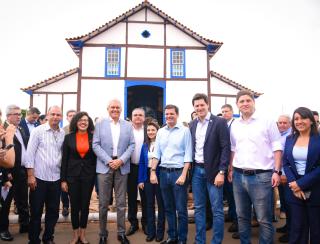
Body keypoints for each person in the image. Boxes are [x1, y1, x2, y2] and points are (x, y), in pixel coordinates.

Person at [228, 90, 282, 244]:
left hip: (262, 176)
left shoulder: (267, 121)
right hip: (238, 176)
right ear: (237, 105)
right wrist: (231, 169)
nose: (245, 104)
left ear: (253, 102)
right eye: (241, 101)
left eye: (248, 100)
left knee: (263, 219)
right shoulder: (234, 124)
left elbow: (277, 147)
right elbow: (233, 148)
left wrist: (277, 171)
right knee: (242, 216)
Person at [189, 94, 230, 244]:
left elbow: (225, 147)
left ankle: (216, 241)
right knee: (199, 208)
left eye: (202, 105)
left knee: (217, 209)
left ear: (207, 105)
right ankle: (199, 240)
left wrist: (222, 172)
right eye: (196, 106)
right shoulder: (192, 124)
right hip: (196, 172)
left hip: (214, 172)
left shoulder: (219, 122)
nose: (199, 108)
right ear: (194, 107)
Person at [93, 99, 135, 244]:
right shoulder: (99, 124)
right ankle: (103, 234)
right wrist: (108, 160)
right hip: (105, 166)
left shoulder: (128, 125)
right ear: (108, 108)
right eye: (112, 107)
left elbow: (131, 145)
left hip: (121, 166)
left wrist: (121, 160)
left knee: (122, 203)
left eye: (118, 107)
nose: (115, 109)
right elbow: (96, 145)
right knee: (103, 203)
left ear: (121, 109)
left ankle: (121, 233)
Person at [150, 104, 192, 244]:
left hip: (178, 173)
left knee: (181, 210)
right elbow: (157, 153)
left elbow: (188, 154)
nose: (168, 116)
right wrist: (153, 171)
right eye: (166, 114)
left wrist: (183, 174)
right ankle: (172, 237)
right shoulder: (161, 132)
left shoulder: (185, 131)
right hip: (163, 173)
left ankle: (182, 239)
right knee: (168, 208)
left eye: (171, 114)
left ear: (177, 114)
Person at [25, 106, 65, 244]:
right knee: (36, 212)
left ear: (61, 117)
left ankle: (48, 238)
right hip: (39, 179)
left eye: (58, 115)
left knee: (53, 212)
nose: (55, 117)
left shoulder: (62, 133)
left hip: (56, 179)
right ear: (47, 115)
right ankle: (34, 240)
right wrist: (31, 175)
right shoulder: (38, 131)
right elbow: (29, 154)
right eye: (53, 114)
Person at [283, 107, 320, 244]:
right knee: (297, 228)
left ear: (311, 120)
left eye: (303, 118)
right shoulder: (289, 139)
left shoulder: (318, 139)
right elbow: (286, 163)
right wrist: (294, 184)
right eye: (296, 118)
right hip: (294, 190)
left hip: (315, 188)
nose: (299, 121)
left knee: (316, 229)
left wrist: (301, 184)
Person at [61, 112, 96, 244]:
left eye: (86, 120)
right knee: (74, 206)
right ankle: (75, 234)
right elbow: (64, 160)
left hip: (88, 176)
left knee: (85, 206)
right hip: (72, 176)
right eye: (81, 120)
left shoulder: (93, 137)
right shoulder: (68, 138)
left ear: (89, 122)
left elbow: (96, 157)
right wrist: (63, 180)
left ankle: (83, 233)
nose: (83, 122)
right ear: (76, 122)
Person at [138, 121, 165, 242]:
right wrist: (141, 180)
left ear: (157, 131)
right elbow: (142, 163)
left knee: (161, 204)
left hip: (159, 175)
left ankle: (160, 232)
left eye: (153, 130)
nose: (150, 132)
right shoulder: (144, 145)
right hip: (147, 175)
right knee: (149, 204)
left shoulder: (162, 143)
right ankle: (151, 231)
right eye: (148, 130)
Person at [126, 108, 147, 236]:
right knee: (132, 197)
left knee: (145, 197)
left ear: (144, 117)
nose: (138, 117)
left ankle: (145, 223)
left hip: (145, 168)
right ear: (131, 117)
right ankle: (133, 223)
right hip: (130, 168)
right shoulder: (127, 130)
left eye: (140, 115)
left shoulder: (148, 130)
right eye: (135, 115)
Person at [221, 104, 239, 238]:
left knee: (235, 195)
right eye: (222, 112)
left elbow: (234, 147)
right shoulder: (224, 125)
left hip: (234, 165)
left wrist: (231, 166)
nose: (224, 114)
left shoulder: (235, 125)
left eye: (226, 111)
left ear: (232, 112)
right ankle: (232, 215)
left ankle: (238, 222)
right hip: (225, 164)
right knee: (228, 193)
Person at [276, 114, 292, 243]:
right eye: (280, 123)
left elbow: (287, 156)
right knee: (284, 202)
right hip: (280, 174)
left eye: (284, 123)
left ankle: (291, 231)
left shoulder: (290, 136)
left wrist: (285, 174)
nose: (282, 125)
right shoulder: (279, 135)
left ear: (290, 124)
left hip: (287, 175)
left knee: (290, 204)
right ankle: (287, 226)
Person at [61, 109, 76, 217]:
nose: (72, 117)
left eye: (74, 115)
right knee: (64, 184)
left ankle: (75, 206)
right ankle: (65, 206)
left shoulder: (80, 129)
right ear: (67, 118)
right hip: (65, 161)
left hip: (76, 163)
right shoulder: (63, 131)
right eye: (70, 115)